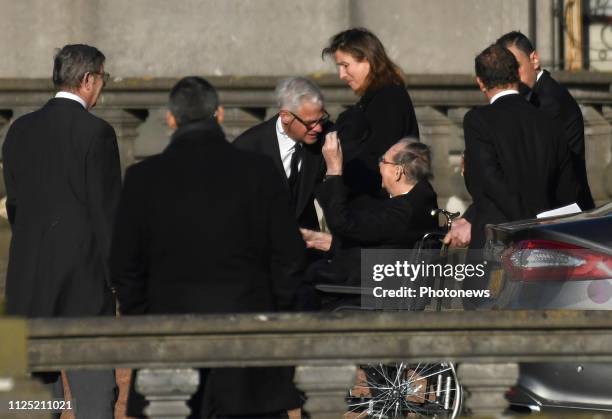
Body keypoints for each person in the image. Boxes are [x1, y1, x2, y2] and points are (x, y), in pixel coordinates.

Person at [110, 76, 306, 418]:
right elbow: (288, 258)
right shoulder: (259, 172)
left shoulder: (143, 179)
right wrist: (275, 315)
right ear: (220, 114)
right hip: (249, 339)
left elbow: (125, 268)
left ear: (172, 120)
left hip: (169, 337)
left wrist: (144, 323)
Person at [2, 44, 119, 418]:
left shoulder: (18, 130)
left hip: (25, 283)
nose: (103, 87)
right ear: (88, 80)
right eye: (103, 78)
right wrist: (119, 280)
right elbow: (106, 215)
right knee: (93, 400)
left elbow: (16, 206)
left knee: (30, 405)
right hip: (81, 286)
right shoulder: (97, 132)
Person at [445, 44, 575, 250]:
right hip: (545, 236)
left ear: (480, 82)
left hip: (498, 237)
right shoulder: (547, 120)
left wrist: (525, 224)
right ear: (516, 74)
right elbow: (566, 183)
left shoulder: (478, 120)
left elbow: (488, 180)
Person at [301, 134, 438, 292]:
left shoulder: (403, 211)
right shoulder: (420, 201)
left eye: (383, 161)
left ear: (398, 171)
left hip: (363, 293)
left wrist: (334, 171)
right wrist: (327, 242)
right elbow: (378, 241)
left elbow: (342, 224)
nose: (379, 165)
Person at [496, 30, 594, 211]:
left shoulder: (549, 100)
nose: (512, 77)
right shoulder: (534, 96)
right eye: (507, 71)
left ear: (534, 60)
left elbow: (539, 162)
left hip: (564, 211)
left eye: (516, 67)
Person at [322, 27, 420, 199]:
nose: (341, 75)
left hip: (383, 210)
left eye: (345, 66)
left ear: (368, 60)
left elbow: (378, 161)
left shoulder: (388, 99)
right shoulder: (378, 99)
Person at [233, 77, 327, 230]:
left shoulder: (328, 139)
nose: (318, 129)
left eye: (321, 120)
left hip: (310, 249)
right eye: (310, 123)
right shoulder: (246, 148)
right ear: (285, 116)